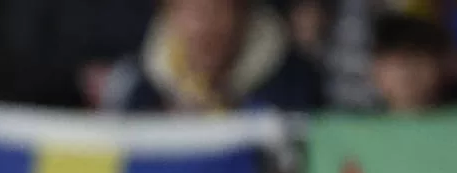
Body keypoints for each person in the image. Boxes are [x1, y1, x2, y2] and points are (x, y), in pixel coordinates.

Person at [101, 0, 325, 112]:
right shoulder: (140, 93)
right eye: (192, 11)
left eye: (217, 10)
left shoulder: (295, 88)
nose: (203, 28)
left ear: (242, 14)